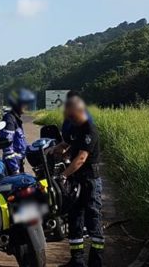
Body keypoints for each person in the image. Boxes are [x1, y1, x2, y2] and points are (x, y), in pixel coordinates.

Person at [59, 94, 103, 267]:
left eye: (71, 115)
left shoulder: (89, 130)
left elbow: (81, 158)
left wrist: (63, 175)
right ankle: (77, 262)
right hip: (77, 181)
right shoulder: (77, 129)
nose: (69, 118)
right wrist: (62, 151)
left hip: (90, 181)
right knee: (75, 219)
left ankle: (95, 263)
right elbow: (73, 149)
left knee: (93, 220)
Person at [0, 88, 34, 175]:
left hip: (19, 164)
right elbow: (7, 148)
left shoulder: (16, 119)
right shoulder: (9, 119)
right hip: (12, 167)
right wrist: (15, 170)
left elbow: (21, 143)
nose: (26, 106)